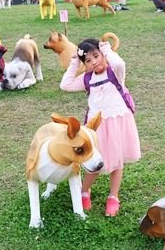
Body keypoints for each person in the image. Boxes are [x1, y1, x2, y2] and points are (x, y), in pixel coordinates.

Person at [59, 38, 141, 217]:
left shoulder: (115, 72)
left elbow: (120, 62)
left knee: (117, 159)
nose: (94, 62)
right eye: (88, 60)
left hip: (118, 120)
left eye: (96, 56)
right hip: (97, 125)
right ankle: (84, 191)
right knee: (95, 159)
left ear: (103, 54)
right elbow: (65, 85)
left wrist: (107, 49)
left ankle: (113, 196)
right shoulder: (87, 78)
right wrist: (74, 63)